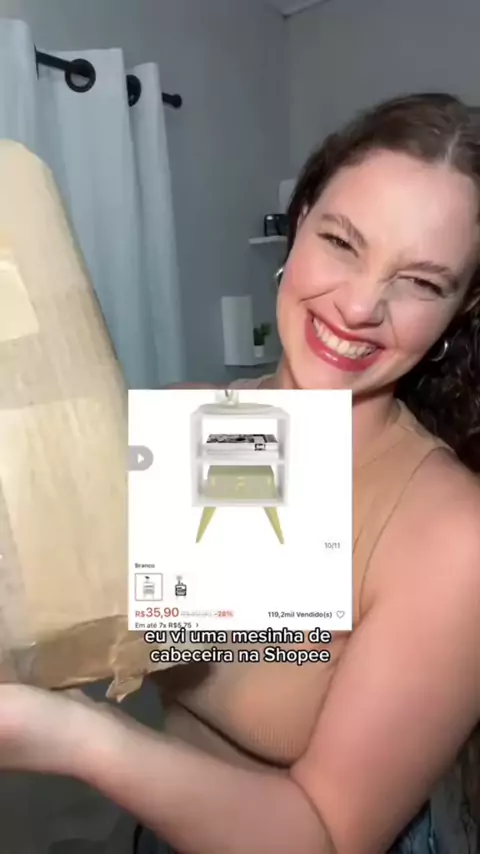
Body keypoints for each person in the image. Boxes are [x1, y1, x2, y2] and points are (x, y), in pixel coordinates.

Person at [0, 92, 479, 854]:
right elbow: (72, 612)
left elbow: (327, 835)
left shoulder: (453, 536)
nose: (360, 305)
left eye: (421, 282)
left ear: (460, 308)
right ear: (300, 221)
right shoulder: (188, 419)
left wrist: (76, 738)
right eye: (343, 242)